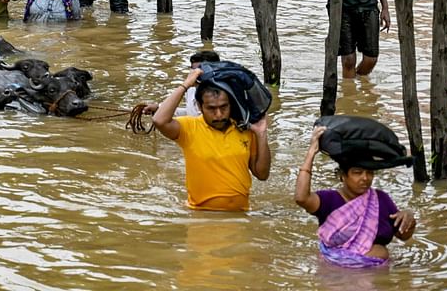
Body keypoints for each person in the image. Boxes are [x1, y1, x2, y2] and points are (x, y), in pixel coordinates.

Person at [151, 67, 271, 211]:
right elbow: (159, 120)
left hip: (241, 215)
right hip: (201, 215)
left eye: (223, 107)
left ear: (231, 104)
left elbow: (262, 174)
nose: (219, 114)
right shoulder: (190, 127)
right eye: (211, 109)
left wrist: (261, 134)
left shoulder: (244, 128)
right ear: (200, 107)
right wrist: (186, 84)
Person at [294, 125, 416, 267]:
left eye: (369, 172)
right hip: (336, 275)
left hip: (377, 278)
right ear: (342, 176)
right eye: (357, 172)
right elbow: (301, 198)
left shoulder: (381, 199)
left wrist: (409, 219)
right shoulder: (329, 200)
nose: (365, 178)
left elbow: (402, 235)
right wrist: (311, 153)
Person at [137, 50, 221, 120]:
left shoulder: (222, 94)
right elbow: (190, 113)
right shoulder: (191, 89)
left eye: (198, 71)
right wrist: (159, 108)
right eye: (192, 70)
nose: (193, 74)